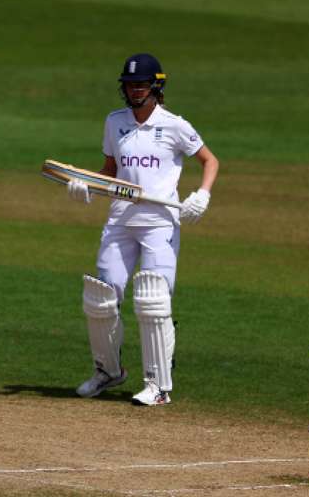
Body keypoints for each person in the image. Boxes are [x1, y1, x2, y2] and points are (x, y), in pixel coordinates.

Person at [67, 53, 219, 406]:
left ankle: (158, 386)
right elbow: (110, 169)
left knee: (152, 300)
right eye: (130, 85)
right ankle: (108, 371)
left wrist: (202, 194)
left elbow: (210, 160)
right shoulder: (114, 122)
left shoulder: (175, 125)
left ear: (156, 86)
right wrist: (87, 186)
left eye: (141, 85)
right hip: (120, 220)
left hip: (158, 224)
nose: (135, 91)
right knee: (102, 297)